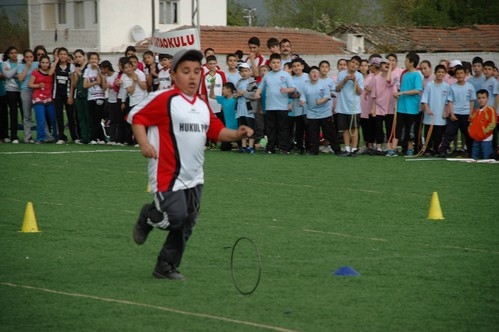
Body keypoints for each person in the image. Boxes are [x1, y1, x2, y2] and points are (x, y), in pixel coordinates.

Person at [128, 49, 253, 280]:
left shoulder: (203, 106)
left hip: (195, 176)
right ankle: (148, 215)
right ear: (174, 75)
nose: (193, 77)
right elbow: (137, 117)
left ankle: (165, 266)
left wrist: (237, 133)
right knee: (174, 217)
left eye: (197, 72)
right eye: (186, 72)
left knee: (187, 222)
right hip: (167, 174)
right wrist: (144, 143)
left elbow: (216, 131)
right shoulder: (165, 99)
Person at [254, 53, 296, 154]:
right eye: (274, 63)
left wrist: (286, 90)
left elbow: (293, 88)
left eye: (278, 62)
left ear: (280, 64)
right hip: (270, 107)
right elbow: (261, 87)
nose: (276, 64)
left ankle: (284, 147)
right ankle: (270, 147)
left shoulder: (285, 75)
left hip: (282, 106)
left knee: (283, 128)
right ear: (270, 64)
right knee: (270, 128)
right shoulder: (267, 76)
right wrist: (257, 94)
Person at [387, 52, 423, 157]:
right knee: (397, 129)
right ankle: (393, 148)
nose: (405, 62)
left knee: (410, 130)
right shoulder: (404, 74)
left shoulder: (416, 75)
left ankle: (409, 149)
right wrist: (397, 93)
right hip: (401, 107)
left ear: (411, 63)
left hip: (412, 108)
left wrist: (402, 93)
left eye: (407, 60)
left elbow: (417, 90)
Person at [299, 66, 341, 155]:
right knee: (313, 133)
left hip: (325, 112)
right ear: (309, 75)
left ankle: (337, 150)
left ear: (318, 74)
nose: (314, 74)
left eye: (316, 72)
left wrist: (321, 101)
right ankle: (314, 150)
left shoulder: (323, 84)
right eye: (312, 72)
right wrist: (302, 102)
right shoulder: (305, 85)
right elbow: (303, 97)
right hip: (312, 113)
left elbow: (327, 96)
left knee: (330, 132)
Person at [438, 65, 475, 157]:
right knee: (449, 133)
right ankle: (443, 150)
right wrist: (452, 113)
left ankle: (471, 151)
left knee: (468, 134)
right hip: (455, 114)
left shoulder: (470, 87)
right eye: (457, 74)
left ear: (465, 74)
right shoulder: (452, 87)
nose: (459, 75)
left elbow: (472, 101)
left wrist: (471, 114)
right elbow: (450, 101)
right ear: (455, 75)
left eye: (461, 73)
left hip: (466, 114)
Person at [335, 55, 364, 156]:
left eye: (356, 64)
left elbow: (360, 92)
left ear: (358, 67)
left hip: (354, 107)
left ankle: (354, 148)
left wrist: (354, 81)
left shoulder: (359, 76)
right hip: (342, 106)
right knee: (345, 128)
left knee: (354, 128)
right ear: (349, 63)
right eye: (352, 62)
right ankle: (347, 148)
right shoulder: (341, 74)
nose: (354, 65)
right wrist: (344, 81)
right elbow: (337, 89)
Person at [421, 64, 451, 156]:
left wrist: (446, 112)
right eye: (439, 72)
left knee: (438, 135)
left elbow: (448, 101)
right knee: (429, 134)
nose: (440, 74)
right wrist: (428, 110)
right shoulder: (429, 85)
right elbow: (424, 99)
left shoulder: (446, 86)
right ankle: (428, 150)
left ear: (445, 74)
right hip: (430, 115)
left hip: (440, 116)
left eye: (443, 72)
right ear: (435, 73)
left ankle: (437, 149)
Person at [28, 55, 58, 143]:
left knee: (53, 119)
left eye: (47, 62)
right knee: (40, 119)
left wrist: (56, 61)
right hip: (38, 98)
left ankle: (56, 137)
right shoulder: (35, 72)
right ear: (40, 63)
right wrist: (38, 85)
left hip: (49, 98)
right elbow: (29, 84)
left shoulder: (51, 72)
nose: (45, 64)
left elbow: (50, 73)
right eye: (43, 62)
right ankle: (40, 138)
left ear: (49, 63)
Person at [51, 47, 77, 144]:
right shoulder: (54, 65)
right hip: (57, 94)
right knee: (59, 116)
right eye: (60, 54)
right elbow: (50, 73)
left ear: (67, 56)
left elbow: (73, 83)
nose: (63, 56)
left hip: (67, 94)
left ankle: (74, 137)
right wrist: (56, 61)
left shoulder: (71, 67)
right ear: (58, 55)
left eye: (64, 54)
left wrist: (70, 96)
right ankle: (61, 137)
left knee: (71, 116)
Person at [371, 57, 395, 154]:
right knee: (378, 127)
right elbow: (373, 95)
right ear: (380, 66)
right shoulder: (376, 78)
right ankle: (379, 146)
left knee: (389, 127)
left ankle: (389, 146)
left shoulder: (393, 77)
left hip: (389, 106)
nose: (386, 65)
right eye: (384, 64)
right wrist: (373, 108)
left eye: (388, 64)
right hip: (378, 106)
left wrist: (390, 68)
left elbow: (388, 80)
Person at [83, 52, 107, 144]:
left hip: (100, 96)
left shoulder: (100, 70)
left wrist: (99, 74)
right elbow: (85, 85)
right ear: (89, 60)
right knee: (93, 118)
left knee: (97, 118)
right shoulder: (87, 70)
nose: (93, 61)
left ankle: (95, 138)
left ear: (98, 60)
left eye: (95, 59)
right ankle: (100, 138)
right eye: (92, 59)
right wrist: (95, 82)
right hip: (90, 96)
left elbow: (102, 84)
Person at [234, 62, 258, 153]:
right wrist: (237, 95)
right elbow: (234, 95)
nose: (244, 73)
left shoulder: (252, 82)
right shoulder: (238, 82)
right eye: (242, 71)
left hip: (249, 110)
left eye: (246, 71)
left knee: (250, 128)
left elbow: (254, 94)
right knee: (242, 128)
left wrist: (244, 93)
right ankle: (243, 146)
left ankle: (251, 146)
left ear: (249, 72)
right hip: (240, 109)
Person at [468, 89, 497, 159]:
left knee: (487, 158)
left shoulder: (490, 110)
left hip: (486, 139)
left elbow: (492, 124)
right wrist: (471, 132)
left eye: (483, 98)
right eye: (479, 98)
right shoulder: (475, 111)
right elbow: (471, 123)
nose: (481, 100)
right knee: (474, 157)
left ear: (487, 98)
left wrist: (484, 132)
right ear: (477, 99)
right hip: (476, 139)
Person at [69, 49, 90, 144]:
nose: (78, 59)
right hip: (79, 94)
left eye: (79, 56)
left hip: (88, 94)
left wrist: (80, 74)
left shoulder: (88, 67)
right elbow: (74, 84)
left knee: (88, 117)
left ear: (84, 57)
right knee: (80, 117)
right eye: (76, 57)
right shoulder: (75, 69)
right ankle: (83, 137)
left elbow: (89, 81)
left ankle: (91, 137)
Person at [289, 58, 309, 154]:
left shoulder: (307, 77)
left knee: (309, 127)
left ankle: (310, 146)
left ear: (302, 67)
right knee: (299, 128)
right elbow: (290, 94)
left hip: (308, 107)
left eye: (298, 66)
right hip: (297, 107)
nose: (296, 68)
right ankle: (299, 147)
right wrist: (295, 95)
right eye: (294, 66)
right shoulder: (292, 79)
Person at [2, 46, 22, 143]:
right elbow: (7, 75)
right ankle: (13, 136)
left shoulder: (20, 63)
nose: (14, 54)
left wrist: (13, 73)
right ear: (8, 54)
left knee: (25, 113)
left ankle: (28, 136)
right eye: (12, 53)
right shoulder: (5, 64)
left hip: (21, 90)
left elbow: (22, 76)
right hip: (11, 90)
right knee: (13, 113)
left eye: (15, 52)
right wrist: (16, 72)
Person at [17, 49, 37, 143]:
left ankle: (43, 135)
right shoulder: (20, 66)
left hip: (37, 91)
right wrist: (27, 67)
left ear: (33, 57)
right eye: (27, 57)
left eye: (31, 57)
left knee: (39, 114)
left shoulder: (37, 64)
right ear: (24, 58)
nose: (29, 59)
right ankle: (28, 137)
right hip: (25, 91)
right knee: (27, 115)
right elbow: (20, 79)